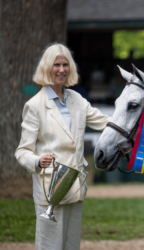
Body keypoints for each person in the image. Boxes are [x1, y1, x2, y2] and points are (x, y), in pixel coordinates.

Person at [15, 43, 110, 250]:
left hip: (76, 187)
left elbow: (106, 122)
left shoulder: (77, 100)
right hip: (50, 189)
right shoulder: (34, 105)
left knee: (71, 246)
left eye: (65, 64)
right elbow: (22, 152)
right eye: (56, 64)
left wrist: (138, 121)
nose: (61, 69)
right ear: (47, 68)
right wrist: (38, 161)